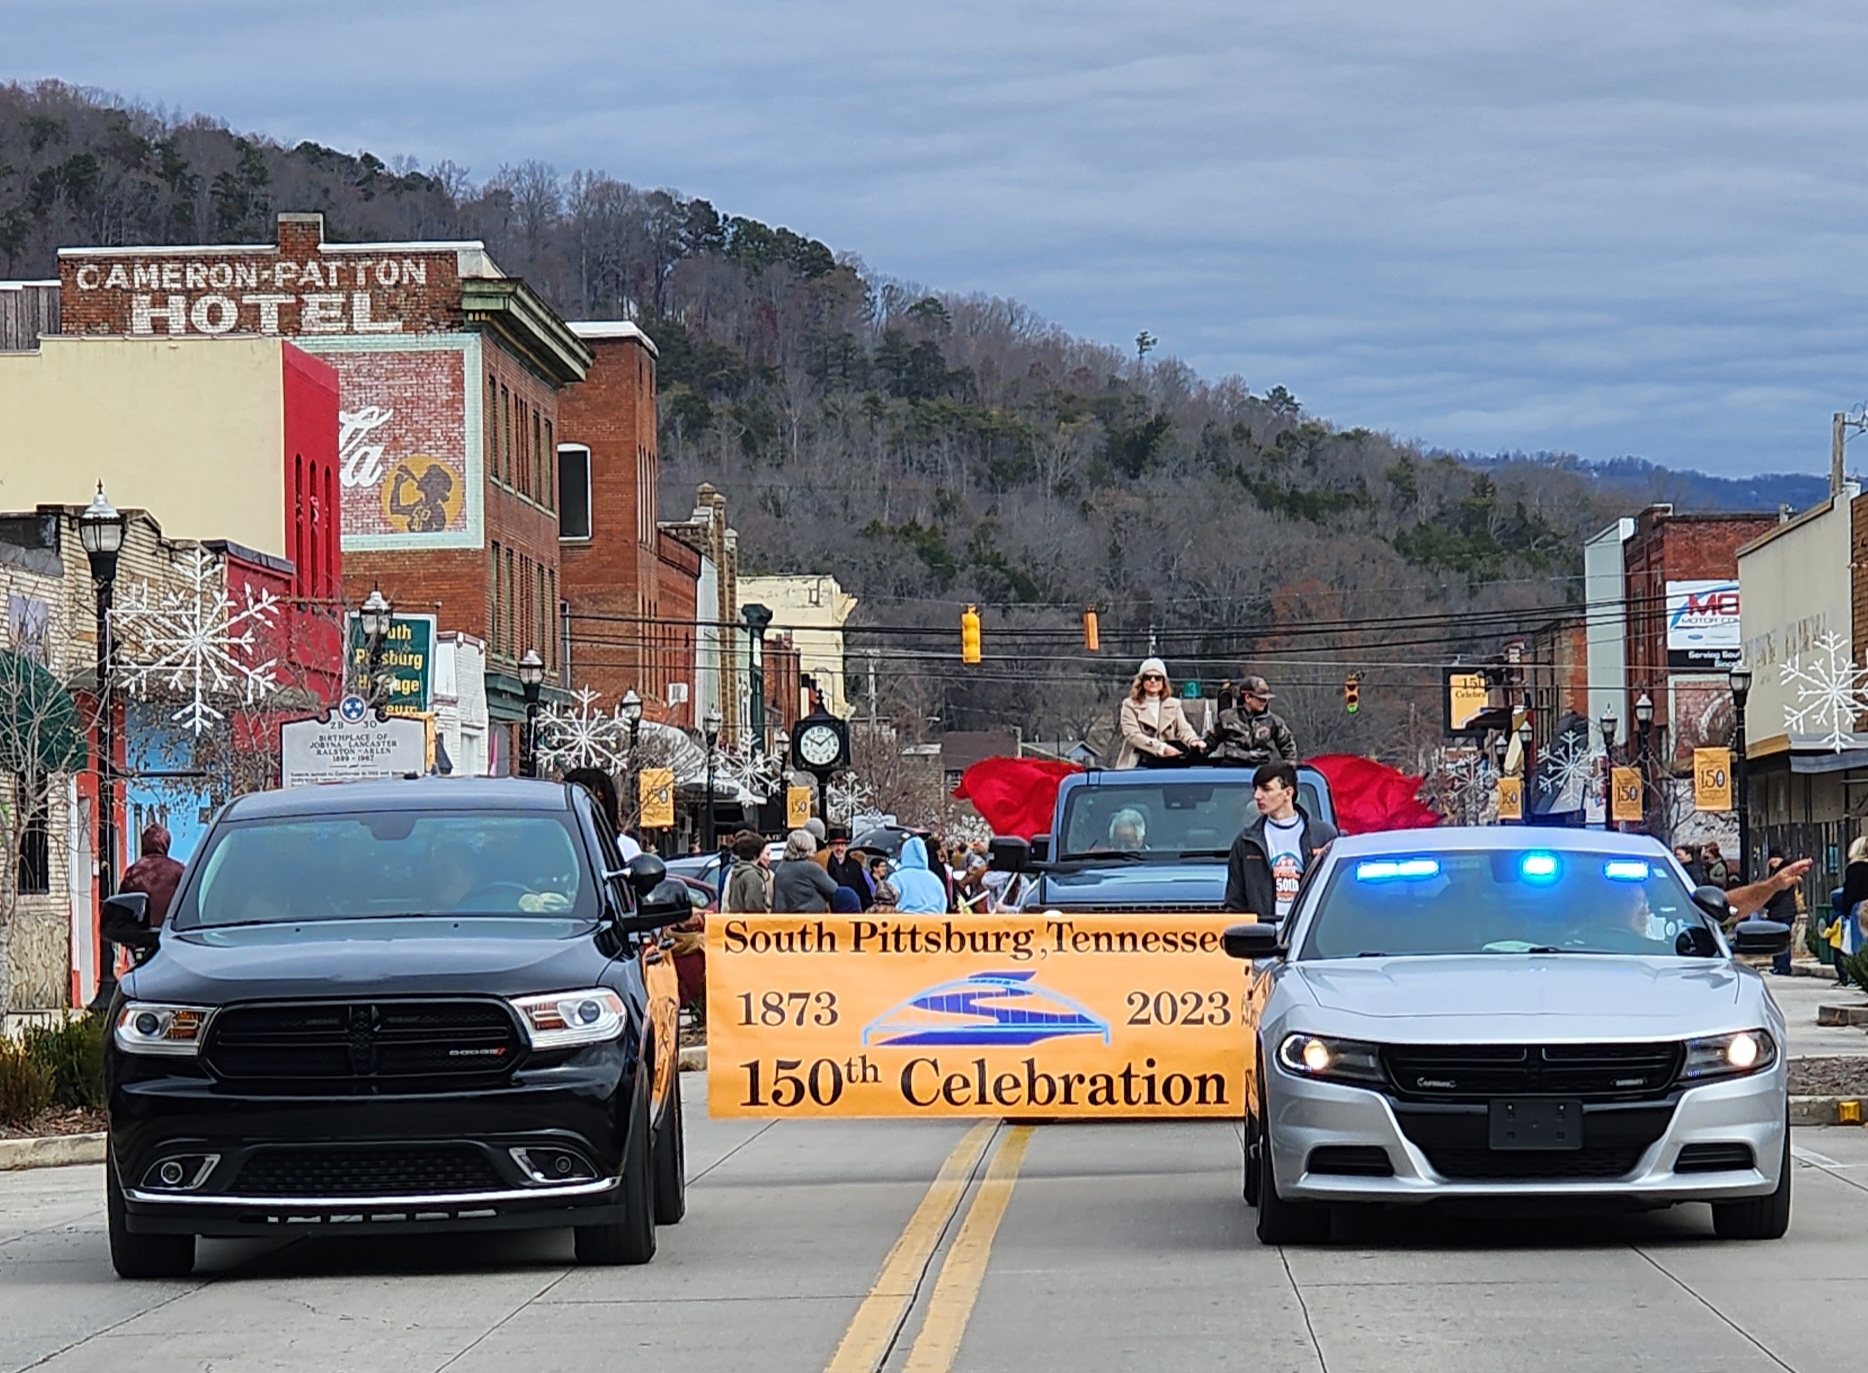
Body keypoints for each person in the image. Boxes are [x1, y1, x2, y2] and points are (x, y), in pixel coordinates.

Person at [1222, 761, 1340, 920]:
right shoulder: (1246, 842)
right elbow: (1235, 903)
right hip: (1265, 938)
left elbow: (1337, 893)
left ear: (1288, 793)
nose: (1257, 796)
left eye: (1266, 789)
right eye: (1256, 789)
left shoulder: (1323, 835)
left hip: (1309, 935)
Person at [1114, 658, 1205, 769]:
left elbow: (1184, 729)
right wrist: (1161, 748)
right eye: (1148, 677)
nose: (1153, 681)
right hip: (1138, 762)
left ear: (1163, 682)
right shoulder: (1129, 705)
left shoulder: (1174, 704)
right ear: (1141, 681)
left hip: (1168, 763)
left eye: (1157, 678)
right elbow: (1132, 735)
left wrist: (1193, 741)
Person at [1206, 674, 1299, 769]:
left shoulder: (1274, 721)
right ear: (1247, 697)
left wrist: (1289, 767)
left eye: (1266, 699)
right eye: (1261, 699)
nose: (1265, 702)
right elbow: (1210, 742)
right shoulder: (1227, 718)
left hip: (1261, 769)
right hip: (1231, 769)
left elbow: (1288, 746)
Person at [120, 823, 185, 927]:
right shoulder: (180, 871)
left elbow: (121, 910)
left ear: (143, 844)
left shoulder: (132, 873)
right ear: (166, 844)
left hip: (139, 938)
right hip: (171, 935)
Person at [773, 829, 839, 913]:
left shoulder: (780, 869)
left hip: (787, 919)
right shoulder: (811, 868)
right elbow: (833, 889)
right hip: (812, 917)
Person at [1760, 848, 1800, 975]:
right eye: (1771, 859)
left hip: (1784, 910)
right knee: (1776, 939)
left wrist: (1767, 902)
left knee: (1782, 939)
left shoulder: (1784, 873)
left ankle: (1783, 966)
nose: (1773, 861)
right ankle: (1778, 964)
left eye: (1775, 858)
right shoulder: (1774, 872)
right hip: (1777, 911)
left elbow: (1778, 893)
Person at [890, 835, 950, 914]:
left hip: (905, 922)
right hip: (933, 922)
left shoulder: (896, 878)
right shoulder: (934, 879)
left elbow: (889, 902)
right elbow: (943, 903)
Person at [723, 831, 771, 914]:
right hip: (750, 924)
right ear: (755, 855)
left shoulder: (736, 871)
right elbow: (754, 907)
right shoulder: (752, 876)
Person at [825, 827, 873, 909]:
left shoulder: (854, 865)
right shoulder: (825, 864)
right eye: (836, 844)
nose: (840, 848)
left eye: (842, 844)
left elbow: (864, 892)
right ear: (829, 847)